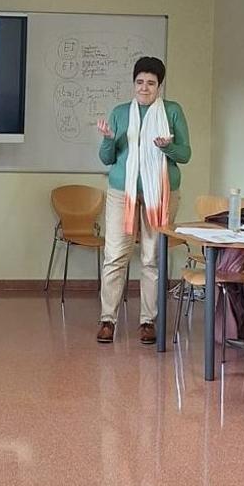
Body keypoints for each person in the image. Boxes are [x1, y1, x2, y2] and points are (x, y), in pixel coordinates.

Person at [94, 56, 191, 345]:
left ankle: (148, 321)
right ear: (133, 83)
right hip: (121, 192)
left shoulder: (172, 111)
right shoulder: (120, 112)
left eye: (150, 83)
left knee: (151, 257)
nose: (144, 88)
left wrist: (168, 146)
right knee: (115, 256)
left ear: (159, 86)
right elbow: (106, 158)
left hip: (160, 194)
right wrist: (109, 139)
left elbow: (185, 155)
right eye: (139, 82)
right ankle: (107, 320)